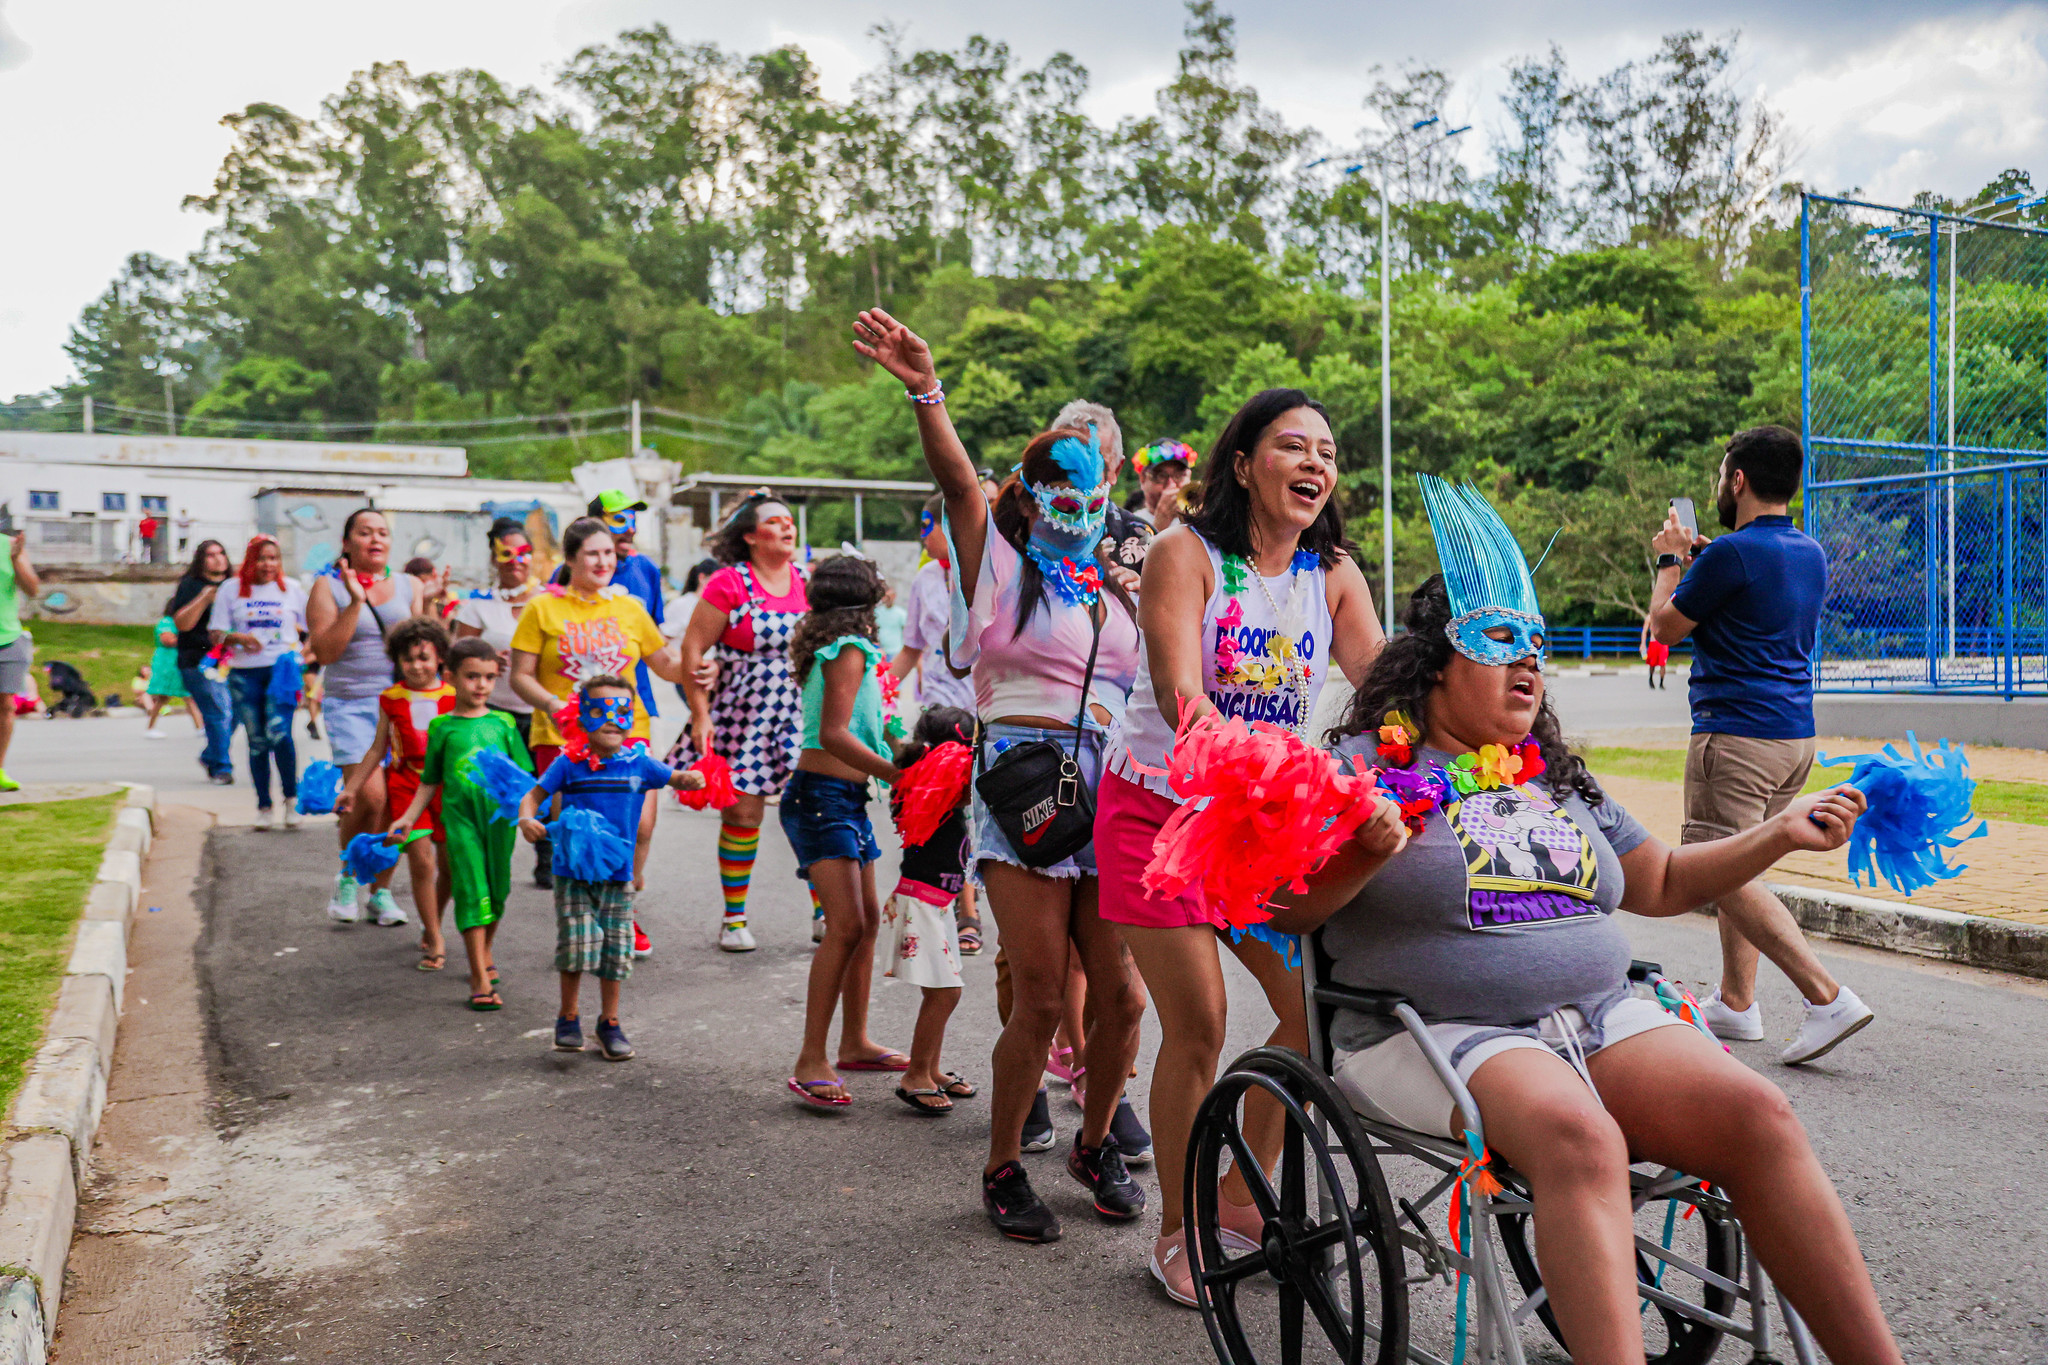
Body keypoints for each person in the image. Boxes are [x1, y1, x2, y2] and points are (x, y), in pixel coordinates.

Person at [1271, 515, 1903, 1364]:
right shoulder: (1358, 767)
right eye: (1501, 641)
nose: (1529, 663)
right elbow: (1284, 906)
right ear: (1433, 662)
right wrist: (1361, 852)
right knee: (1581, 1135)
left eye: (1538, 646)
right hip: (1433, 1030)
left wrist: (1781, 833)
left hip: (1599, 1017)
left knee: (1759, 1114)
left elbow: (1663, 880)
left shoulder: (1554, 773)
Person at [853, 306, 1148, 1246]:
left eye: (1090, 493)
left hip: (1108, 793)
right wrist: (926, 389)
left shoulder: (1117, 592)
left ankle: (1094, 1144)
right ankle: (1004, 1163)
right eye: (1058, 492)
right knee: (1044, 991)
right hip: (1022, 788)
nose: (1077, 507)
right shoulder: (1000, 569)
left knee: (1125, 997)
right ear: (1029, 498)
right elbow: (955, 480)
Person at [1098, 387, 1386, 1301]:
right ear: (1242, 463)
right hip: (1157, 817)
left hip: (1259, 824)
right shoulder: (1184, 554)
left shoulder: (1331, 572)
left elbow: (1383, 688)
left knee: (1314, 1011)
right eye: (1293, 446)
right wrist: (1274, 765)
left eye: (1327, 453)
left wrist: (1443, 733)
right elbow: (1181, 694)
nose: (1315, 464)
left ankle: (1235, 1196)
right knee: (1200, 1023)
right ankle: (1179, 1224)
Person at [1647, 426, 1874, 1065]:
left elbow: (1663, 627)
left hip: (1736, 736)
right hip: (1792, 740)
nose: (1720, 485)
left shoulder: (1730, 556)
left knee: (1710, 863)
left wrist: (1669, 561)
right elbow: (1750, 582)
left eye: (1723, 475)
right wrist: (1706, 554)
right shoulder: (1808, 552)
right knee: (1740, 862)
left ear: (1739, 479)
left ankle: (1826, 996)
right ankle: (1737, 1002)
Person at [510, 516, 692, 957]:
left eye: (609, 552)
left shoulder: (629, 608)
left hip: (629, 733)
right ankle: (584, 911)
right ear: (570, 559)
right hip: (563, 737)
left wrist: (696, 667)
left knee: (640, 825)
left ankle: (622, 905)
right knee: (577, 829)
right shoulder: (541, 609)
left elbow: (664, 663)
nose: (603, 561)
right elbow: (520, 676)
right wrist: (554, 705)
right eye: (592, 553)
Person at [780, 555, 914, 1108]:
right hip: (820, 799)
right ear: (870, 598)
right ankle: (811, 1057)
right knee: (846, 926)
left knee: (866, 922)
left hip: (845, 799)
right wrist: (897, 774)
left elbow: (865, 727)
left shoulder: (849, 650)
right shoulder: (849, 650)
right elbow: (833, 734)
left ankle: (855, 1041)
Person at [517, 675, 705, 1061]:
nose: (611, 720)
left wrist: (692, 778)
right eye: (600, 710)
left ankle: (610, 1021)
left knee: (616, 949)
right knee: (576, 943)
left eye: (622, 711)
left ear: (632, 718)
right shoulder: (568, 763)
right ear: (582, 716)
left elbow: (676, 778)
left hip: (618, 876)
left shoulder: (639, 763)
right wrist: (526, 819)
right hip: (571, 872)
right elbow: (533, 796)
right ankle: (568, 1017)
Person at [668, 491, 811, 953]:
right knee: (743, 813)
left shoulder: (807, 580)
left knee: (812, 808)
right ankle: (734, 919)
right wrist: (700, 714)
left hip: (801, 711)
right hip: (742, 712)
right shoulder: (729, 582)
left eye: (789, 520)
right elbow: (693, 649)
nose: (787, 527)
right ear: (750, 535)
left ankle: (825, 911)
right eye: (774, 521)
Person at [386, 636, 533, 1010]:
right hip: (461, 820)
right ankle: (479, 977)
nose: (481, 685)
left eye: (489, 677)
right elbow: (429, 780)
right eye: (472, 676)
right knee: (470, 889)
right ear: (450, 676)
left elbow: (524, 779)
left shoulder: (504, 723)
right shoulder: (442, 727)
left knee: (497, 891)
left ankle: (484, 951)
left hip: (500, 823)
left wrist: (528, 817)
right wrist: (407, 817)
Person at [309, 509, 428, 920]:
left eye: (382, 533)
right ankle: (347, 877)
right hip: (351, 705)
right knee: (369, 795)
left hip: (401, 705)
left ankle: (381, 891)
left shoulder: (410, 585)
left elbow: (421, 649)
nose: (375, 539)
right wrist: (356, 602)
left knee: (397, 802)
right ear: (347, 543)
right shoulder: (327, 586)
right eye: (364, 533)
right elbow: (325, 653)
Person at [890, 494, 983, 954]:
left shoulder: (991, 571)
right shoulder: (926, 578)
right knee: (947, 809)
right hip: (939, 719)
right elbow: (912, 648)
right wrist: (878, 690)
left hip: (985, 711)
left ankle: (978, 897)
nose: (923, 535)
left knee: (981, 809)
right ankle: (961, 910)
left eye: (927, 525)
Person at [882, 706, 980, 1114]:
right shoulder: (933, 781)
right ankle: (915, 1074)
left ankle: (931, 1068)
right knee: (945, 991)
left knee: (942, 990)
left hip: (938, 903)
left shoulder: (940, 782)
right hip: (921, 902)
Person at [340, 618, 454, 948]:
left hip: (447, 789)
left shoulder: (455, 696)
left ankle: (433, 921)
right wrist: (351, 789)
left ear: (440, 657)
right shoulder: (391, 698)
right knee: (422, 860)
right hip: (406, 787)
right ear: (397, 661)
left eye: (424, 658)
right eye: (408, 659)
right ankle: (433, 935)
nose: (416, 666)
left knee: (448, 865)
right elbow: (378, 749)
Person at [452, 518, 547, 885]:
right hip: (493, 712)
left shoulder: (548, 600)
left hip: (541, 711)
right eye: (506, 553)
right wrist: (487, 660)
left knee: (545, 785)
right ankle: (491, 861)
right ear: (494, 558)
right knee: (493, 790)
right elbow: (458, 657)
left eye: (524, 552)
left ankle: (547, 859)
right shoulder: (478, 607)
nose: (516, 560)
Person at [208, 535, 309, 830]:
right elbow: (215, 633)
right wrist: (237, 638)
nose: (268, 565)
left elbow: (315, 625)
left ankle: (291, 799)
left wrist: (305, 654)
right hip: (245, 674)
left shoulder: (292, 589)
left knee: (281, 735)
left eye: (273, 558)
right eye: (262, 558)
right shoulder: (231, 589)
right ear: (250, 560)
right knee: (257, 742)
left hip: (281, 672)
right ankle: (264, 805)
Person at [583, 489, 666, 718]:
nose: (631, 530)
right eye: (620, 520)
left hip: (636, 702)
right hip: (581, 705)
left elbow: (657, 640)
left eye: (633, 520)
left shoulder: (647, 569)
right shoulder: (571, 573)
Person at [167, 540, 237, 786]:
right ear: (201, 560)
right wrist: (205, 598)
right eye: (210, 555)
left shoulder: (234, 585)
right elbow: (182, 624)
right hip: (198, 661)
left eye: (221, 553)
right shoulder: (191, 585)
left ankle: (210, 755)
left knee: (236, 712)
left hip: (230, 662)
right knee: (218, 712)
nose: (218, 559)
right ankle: (221, 767)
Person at [0, 528, 40, 791]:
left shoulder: (10, 545)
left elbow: (32, 589)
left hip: (8, 638)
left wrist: (15, 558)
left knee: (6, 706)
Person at [141, 613, 202, 738]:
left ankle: (200, 727)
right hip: (168, 665)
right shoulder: (166, 622)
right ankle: (151, 727)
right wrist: (190, 640)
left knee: (188, 696)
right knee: (163, 697)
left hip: (180, 662)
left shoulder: (181, 621)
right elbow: (167, 640)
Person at [1131, 438, 1197, 532]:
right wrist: (1160, 524)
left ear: (1189, 476)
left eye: (1179, 475)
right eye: (1161, 476)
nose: (1172, 485)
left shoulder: (1199, 517)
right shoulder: (1131, 523)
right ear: (1143, 478)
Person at [1640, 617, 1669, 689]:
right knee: (1652, 663)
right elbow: (1644, 631)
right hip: (1654, 642)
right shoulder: (1649, 618)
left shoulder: (1664, 615)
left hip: (1663, 643)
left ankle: (1661, 682)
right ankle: (1651, 678)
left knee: (1663, 663)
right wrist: (1643, 643)